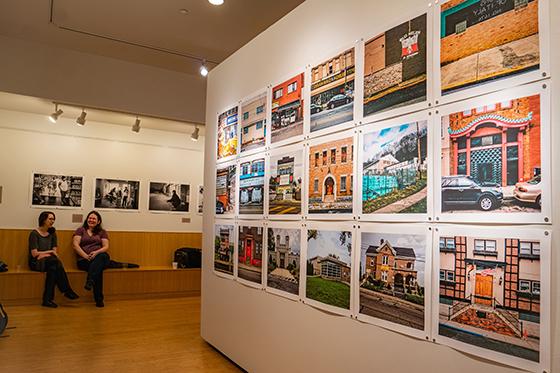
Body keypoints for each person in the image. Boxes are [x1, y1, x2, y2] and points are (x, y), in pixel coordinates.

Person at [28, 211, 79, 308]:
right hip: (36, 262)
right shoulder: (34, 234)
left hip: (49, 261)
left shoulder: (52, 233)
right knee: (54, 262)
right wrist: (49, 252)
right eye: (50, 219)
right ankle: (66, 290)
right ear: (43, 219)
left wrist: (46, 254)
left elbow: (55, 252)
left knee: (53, 269)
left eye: (53, 219)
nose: (52, 221)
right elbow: (34, 254)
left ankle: (47, 300)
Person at [72, 211, 110, 308]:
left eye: (94, 219)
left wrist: (96, 252)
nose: (91, 220)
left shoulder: (102, 232)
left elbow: (106, 246)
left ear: (98, 221)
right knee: (98, 269)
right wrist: (85, 256)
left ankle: (90, 281)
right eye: (90, 218)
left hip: (98, 257)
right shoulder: (80, 230)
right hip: (83, 260)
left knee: (102, 256)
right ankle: (99, 299)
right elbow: (75, 245)